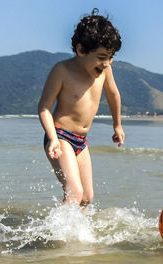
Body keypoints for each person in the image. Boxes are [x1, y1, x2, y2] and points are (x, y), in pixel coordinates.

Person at [38, 8, 124, 207]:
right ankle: (58, 236)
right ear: (81, 50)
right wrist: (52, 139)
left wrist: (117, 125)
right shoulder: (62, 71)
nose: (107, 63)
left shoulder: (105, 71)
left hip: (81, 141)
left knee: (86, 198)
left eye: (111, 57)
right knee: (74, 193)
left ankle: (80, 236)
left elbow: (113, 95)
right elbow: (44, 107)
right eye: (102, 57)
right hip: (60, 137)